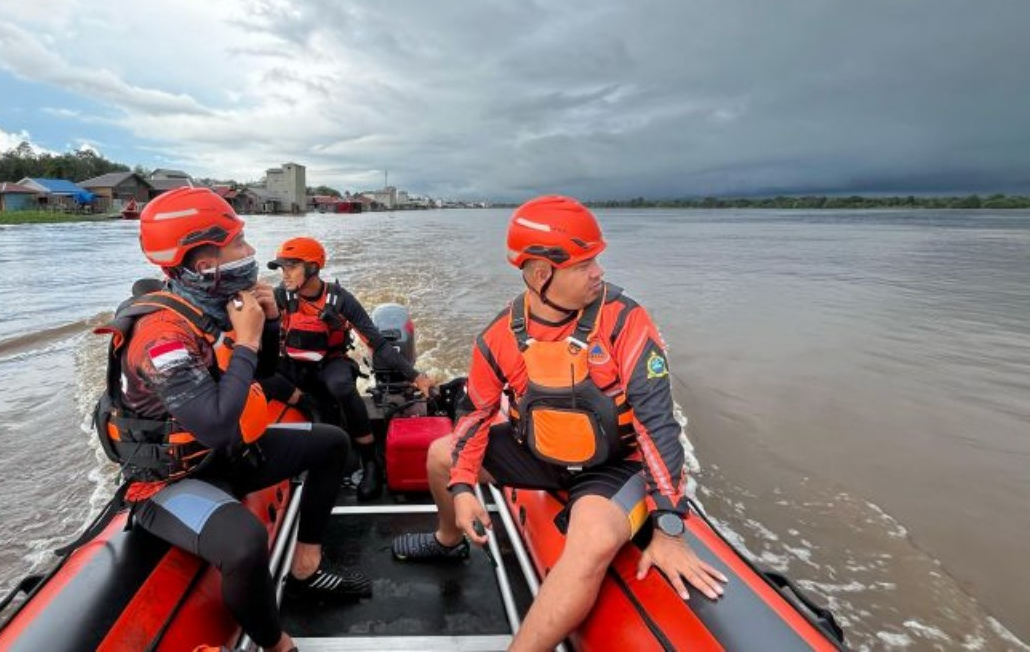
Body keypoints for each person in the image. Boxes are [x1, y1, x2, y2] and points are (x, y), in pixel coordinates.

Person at [392, 195, 727, 651]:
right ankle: (449, 539)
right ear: (539, 273)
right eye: (584, 263)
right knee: (440, 455)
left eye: (597, 261)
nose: (599, 273)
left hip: (613, 463)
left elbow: (657, 425)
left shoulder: (625, 321)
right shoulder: (497, 338)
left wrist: (669, 525)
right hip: (540, 451)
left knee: (591, 542)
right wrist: (465, 487)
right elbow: (475, 417)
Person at [94, 188, 371, 652]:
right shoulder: (161, 337)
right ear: (204, 261)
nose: (251, 253)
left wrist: (269, 326)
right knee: (243, 544)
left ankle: (305, 568)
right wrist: (245, 340)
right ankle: (278, 644)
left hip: (222, 456)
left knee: (331, 444)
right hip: (167, 482)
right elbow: (218, 423)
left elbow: (258, 374)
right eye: (239, 243)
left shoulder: (207, 306)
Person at [267, 236, 434, 500]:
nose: (284, 275)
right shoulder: (279, 296)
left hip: (330, 362)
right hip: (293, 365)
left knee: (342, 387)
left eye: (291, 267)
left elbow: (377, 344)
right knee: (258, 373)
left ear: (312, 267)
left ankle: (369, 461)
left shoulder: (340, 299)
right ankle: (308, 408)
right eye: (281, 268)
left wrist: (416, 376)